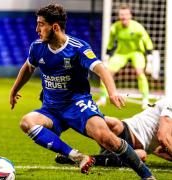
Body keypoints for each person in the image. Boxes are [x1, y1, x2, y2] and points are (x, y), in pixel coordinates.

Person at [9, 3, 155, 179]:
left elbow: (101, 69)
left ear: (54, 27)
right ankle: (77, 156)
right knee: (27, 122)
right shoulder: (37, 47)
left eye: (41, 24)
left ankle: (147, 176)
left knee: (107, 139)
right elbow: (28, 68)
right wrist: (13, 91)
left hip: (78, 105)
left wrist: (112, 92)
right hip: (51, 109)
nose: (36, 29)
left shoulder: (78, 48)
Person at [56, 97, 172, 166]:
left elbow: (160, 146)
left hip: (132, 147)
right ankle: (63, 113)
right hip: (125, 130)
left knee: (141, 155)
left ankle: (82, 158)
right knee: (113, 123)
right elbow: (163, 136)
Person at [97, 4, 153, 109]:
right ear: (119, 16)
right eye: (121, 15)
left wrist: (150, 60)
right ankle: (103, 98)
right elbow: (110, 44)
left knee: (140, 73)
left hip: (136, 52)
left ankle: (145, 99)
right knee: (106, 73)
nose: (123, 17)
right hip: (120, 53)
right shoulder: (115, 28)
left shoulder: (137, 27)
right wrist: (106, 59)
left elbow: (147, 42)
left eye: (126, 14)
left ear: (130, 16)